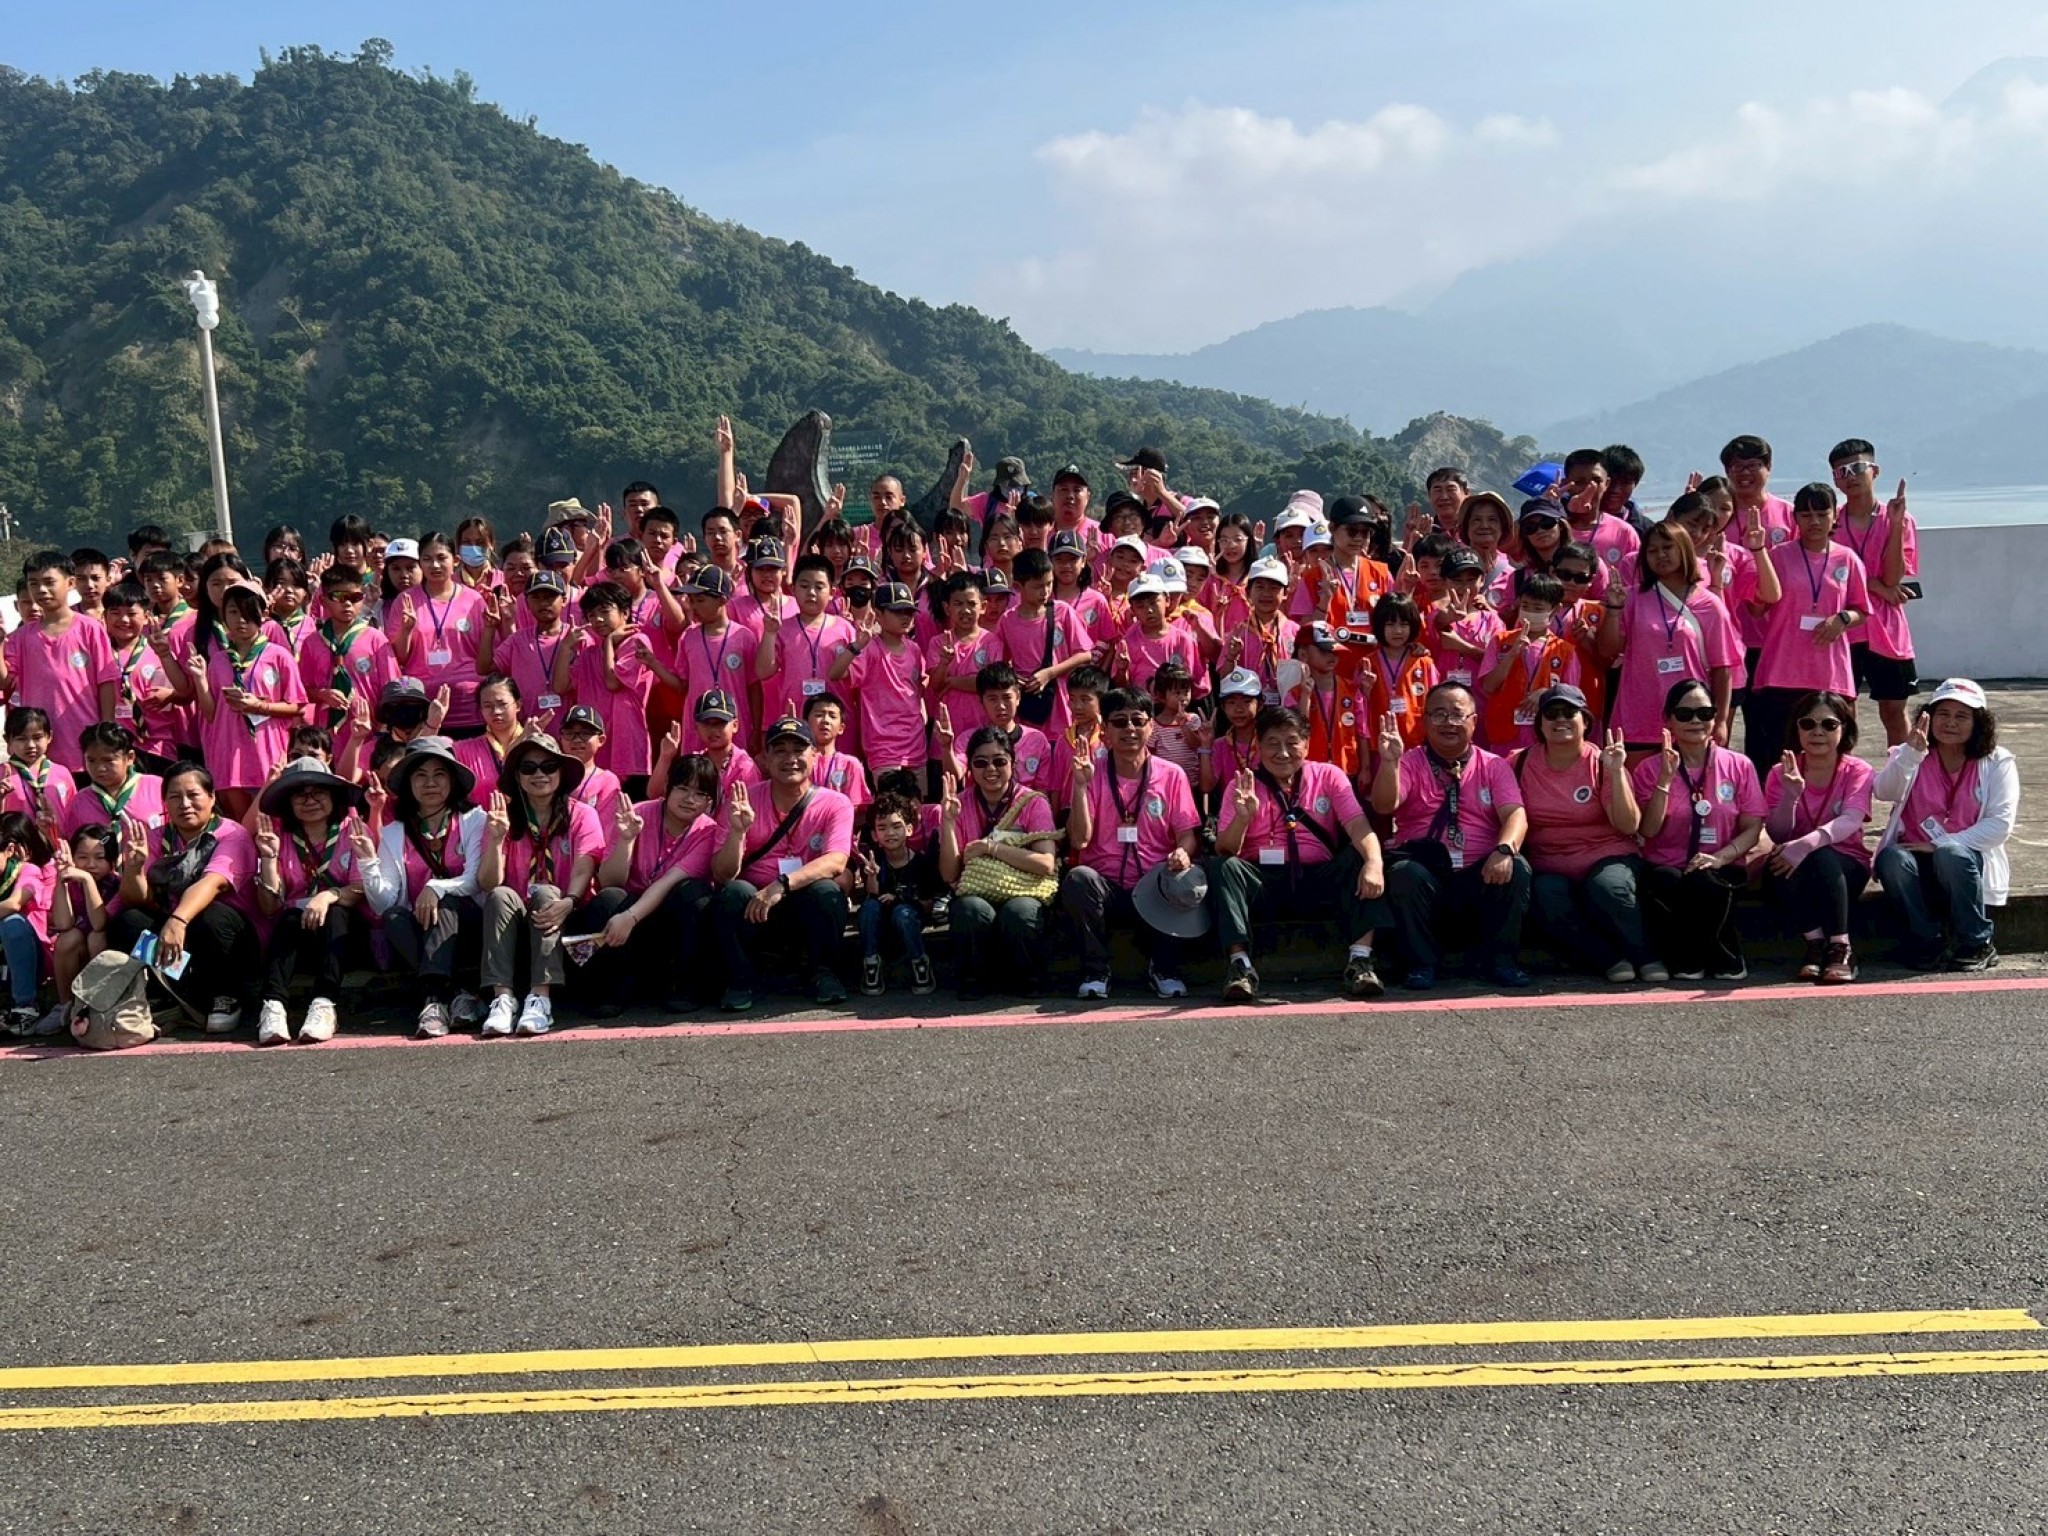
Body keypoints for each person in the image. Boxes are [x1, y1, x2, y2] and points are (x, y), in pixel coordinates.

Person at [1207, 704, 1390, 1001]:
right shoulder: (1241, 785)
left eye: (1292, 743)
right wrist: (1243, 818)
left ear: (1306, 744)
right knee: (1224, 867)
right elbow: (1225, 849)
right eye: (1272, 743)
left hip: (1317, 875)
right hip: (1263, 880)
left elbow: (1358, 825)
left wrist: (1374, 862)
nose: (1282, 753)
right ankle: (1240, 966)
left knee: (1360, 857)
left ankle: (1361, 961)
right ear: (1258, 746)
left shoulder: (1329, 775)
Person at [1372, 681, 1532, 990]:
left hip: (1479, 873)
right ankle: (1420, 964)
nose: (1448, 722)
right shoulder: (1410, 761)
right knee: (1404, 873)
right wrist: (1390, 762)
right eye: (1439, 714)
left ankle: (1501, 962)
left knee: (1517, 867)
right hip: (1428, 872)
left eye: (1457, 714)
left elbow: (1515, 815)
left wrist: (1504, 849)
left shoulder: (1494, 765)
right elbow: (1383, 805)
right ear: (1425, 721)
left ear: (1474, 721)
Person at [478, 731, 631, 1034]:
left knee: (548, 892)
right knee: (499, 895)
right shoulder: (502, 818)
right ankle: (503, 999)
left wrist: (570, 900)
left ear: (561, 774)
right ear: (518, 777)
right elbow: (488, 881)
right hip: (519, 920)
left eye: (548, 766)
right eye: (528, 768)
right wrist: (495, 841)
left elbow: (585, 866)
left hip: (569, 915)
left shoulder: (582, 814)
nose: (539, 774)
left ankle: (540, 998)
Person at [1059, 688, 1202, 999]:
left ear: (1151, 726)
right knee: (1078, 878)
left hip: (1154, 883)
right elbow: (1080, 840)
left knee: (1181, 876)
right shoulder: (1090, 771)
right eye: (1119, 722)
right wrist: (1080, 787)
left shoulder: (1172, 774)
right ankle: (1096, 971)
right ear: (1105, 730)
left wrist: (1183, 852)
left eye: (1138, 721)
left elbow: (1187, 834)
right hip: (1106, 886)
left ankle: (1164, 968)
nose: (1130, 729)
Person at [707, 715, 855, 1011]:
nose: (790, 759)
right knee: (733, 892)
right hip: (757, 905)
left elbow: (836, 861)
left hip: (801, 898)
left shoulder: (835, 803)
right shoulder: (743, 800)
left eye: (799, 750)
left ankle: (822, 973)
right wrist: (737, 832)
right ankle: (743, 981)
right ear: (765, 758)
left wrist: (781, 885)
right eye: (780, 751)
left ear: (815, 755)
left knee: (828, 891)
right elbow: (721, 874)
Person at [1516, 684, 1659, 984]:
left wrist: (1617, 772)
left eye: (1569, 712)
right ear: (1540, 723)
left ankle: (1644, 954)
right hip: (1550, 863)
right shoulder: (1519, 763)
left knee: (1609, 887)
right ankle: (1608, 959)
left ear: (1585, 721)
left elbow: (1628, 825)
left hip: (1607, 855)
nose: (1560, 719)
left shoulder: (1602, 762)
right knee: (1545, 894)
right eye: (1551, 713)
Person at [1873, 679, 2017, 972]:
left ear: (1978, 723)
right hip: (1915, 856)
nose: (1950, 723)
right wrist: (1910, 756)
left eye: (1962, 716)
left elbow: (2000, 825)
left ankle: (1977, 943)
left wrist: (1938, 844)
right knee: (1891, 858)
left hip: (1964, 861)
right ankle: (1925, 942)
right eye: (1943, 714)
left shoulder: (1997, 761)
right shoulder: (1910, 753)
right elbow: (1883, 791)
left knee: (1951, 853)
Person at [108, 762, 260, 1033]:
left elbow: (213, 884)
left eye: (193, 795)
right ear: (165, 803)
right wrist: (133, 870)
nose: (185, 804)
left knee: (210, 916)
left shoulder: (231, 834)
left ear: (211, 797)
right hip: (180, 941)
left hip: (227, 938)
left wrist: (177, 920)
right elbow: (135, 899)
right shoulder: (155, 837)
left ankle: (225, 994)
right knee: (129, 921)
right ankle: (172, 992)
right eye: (175, 797)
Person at [1631, 679, 1766, 981]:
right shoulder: (1648, 769)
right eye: (1685, 714)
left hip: (1721, 863)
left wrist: (1719, 857)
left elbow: (1752, 827)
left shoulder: (1739, 765)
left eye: (1704, 714)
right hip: (1668, 865)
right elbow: (1648, 830)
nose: (1695, 721)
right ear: (1668, 719)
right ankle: (1703, 956)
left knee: (1706, 880)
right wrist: (1664, 782)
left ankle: (1709, 956)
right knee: (1668, 882)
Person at [356, 736, 487, 1038]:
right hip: (422, 925)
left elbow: (475, 880)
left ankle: (433, 998)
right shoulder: (393, 832)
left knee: (447, 902)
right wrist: (367, 862)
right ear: (408, 784)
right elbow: (384, 902)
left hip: (468, 924)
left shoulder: (474, 819)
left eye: (439, 774)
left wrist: (436, 887)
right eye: (420, 775)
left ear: (452, 781)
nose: (430, 783)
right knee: (393, 917)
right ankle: (456, 993)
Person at [1747, 482, 1870, 779]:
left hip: (1830, 674)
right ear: (1795, 519)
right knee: (1778, 757)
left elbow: (1862, 611)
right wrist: (1758, 552)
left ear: (1834, 516)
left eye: (1821, 514)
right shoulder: (1778, 556)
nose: (1814, 521)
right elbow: (1757, 608)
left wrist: (1842, 618)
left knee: (1831, 757)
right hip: (1782, 672)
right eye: (1806, 515)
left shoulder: (1847, 559)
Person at [251, 757, 370, 1044]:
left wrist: (328, 895)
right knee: (288, 918)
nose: (310, 800)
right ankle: (273, 1005)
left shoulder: (352, 830)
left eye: (319, 792)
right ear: (288, 803)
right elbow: (269, 906)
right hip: (298, 935)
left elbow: (361, 889)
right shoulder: (277, 836)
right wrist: (268, 858)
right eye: (300, 794)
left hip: (345, 937)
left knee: (337, 913)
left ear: (333, 797)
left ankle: (324, 1005)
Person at [1598, 520, 1741, 758]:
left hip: (1691, 718)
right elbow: (1607, 651)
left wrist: (1721, 720)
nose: (1660, 555)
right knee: (1634, 782)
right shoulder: (1632, 598)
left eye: (1667, 547)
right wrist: (1613, 610)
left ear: (1683, 549)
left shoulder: (1710, 605)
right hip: (1638, 716)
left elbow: (1722, 669)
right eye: (1652, 551)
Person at [595, 752, 722, 1013]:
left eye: (700, 793)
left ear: (709, 801)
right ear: (667, 787)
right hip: (629, 918)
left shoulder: (707, 831)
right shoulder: (637, 814)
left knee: (695, 894)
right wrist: (627, 840)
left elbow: (667, 882)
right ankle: (613, 989)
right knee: (609, 898)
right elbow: (608, 880)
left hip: (667, 917)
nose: (690, 799)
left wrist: (630, 917)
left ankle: (683, 985)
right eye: (683, 788)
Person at [1762, 691, 1875, 984]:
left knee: (1821, 855)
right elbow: (1777, 833)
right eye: (1808, 723)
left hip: (1846, 865)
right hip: (1797, 864)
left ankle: (1841, 946)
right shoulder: (1780, 772)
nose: (1818, 732)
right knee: (1774, 865)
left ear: (1844, 729)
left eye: (1829, 724)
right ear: (1797, 728)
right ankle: (1815, 942)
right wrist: (1790, 797)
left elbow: (1851, 819)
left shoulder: (1858, 770)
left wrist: (1807, 844)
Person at [940, 728, 1058, 1000]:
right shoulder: (960, 802)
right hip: (977, 889)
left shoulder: (1032, 802)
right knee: (969, 909)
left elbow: (1046, 863)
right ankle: (975, 978)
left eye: (999, 761)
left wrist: (991, 848)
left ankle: (1028, 977)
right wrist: (947, 823)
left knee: (1019, 912)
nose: (990, 769)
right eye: (980, 762)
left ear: (1013, 764)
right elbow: (949, 873)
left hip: (1023, 889)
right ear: (970, 768)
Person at [1828, 441, 1919, 747]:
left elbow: (1894, 578)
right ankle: (1843, 772)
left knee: (1894, 710)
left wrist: (1895, 526)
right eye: (1841, 472)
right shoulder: (1831, 522)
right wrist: (1877, 586)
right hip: (1844, 628)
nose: (1850, 476)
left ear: (1874, 471)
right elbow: (1831, 574)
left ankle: (1902, 773)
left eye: (1857, 468)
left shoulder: (1899, 519)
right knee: (1841, 711)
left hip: (1887, 630)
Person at [855, 791, 942, 997]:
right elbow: (872, 895)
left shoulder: (921, 862)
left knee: (902, 913)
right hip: (881, 918)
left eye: (896, 826)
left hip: (909, 917)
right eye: (882, 828)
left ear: (909, 829)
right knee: (869, 908)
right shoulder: (874, 859)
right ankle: (871, 962)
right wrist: (872, 876)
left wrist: (900, 899)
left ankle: (920, 962)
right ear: (874, 835)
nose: (890, 833)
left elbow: (928, 904)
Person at [0, 813, 53, 1036]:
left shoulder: (27, 871)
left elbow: (14, 903)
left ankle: (26, 1008)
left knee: (12, 923)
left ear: (9, 850)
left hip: (31, 954)